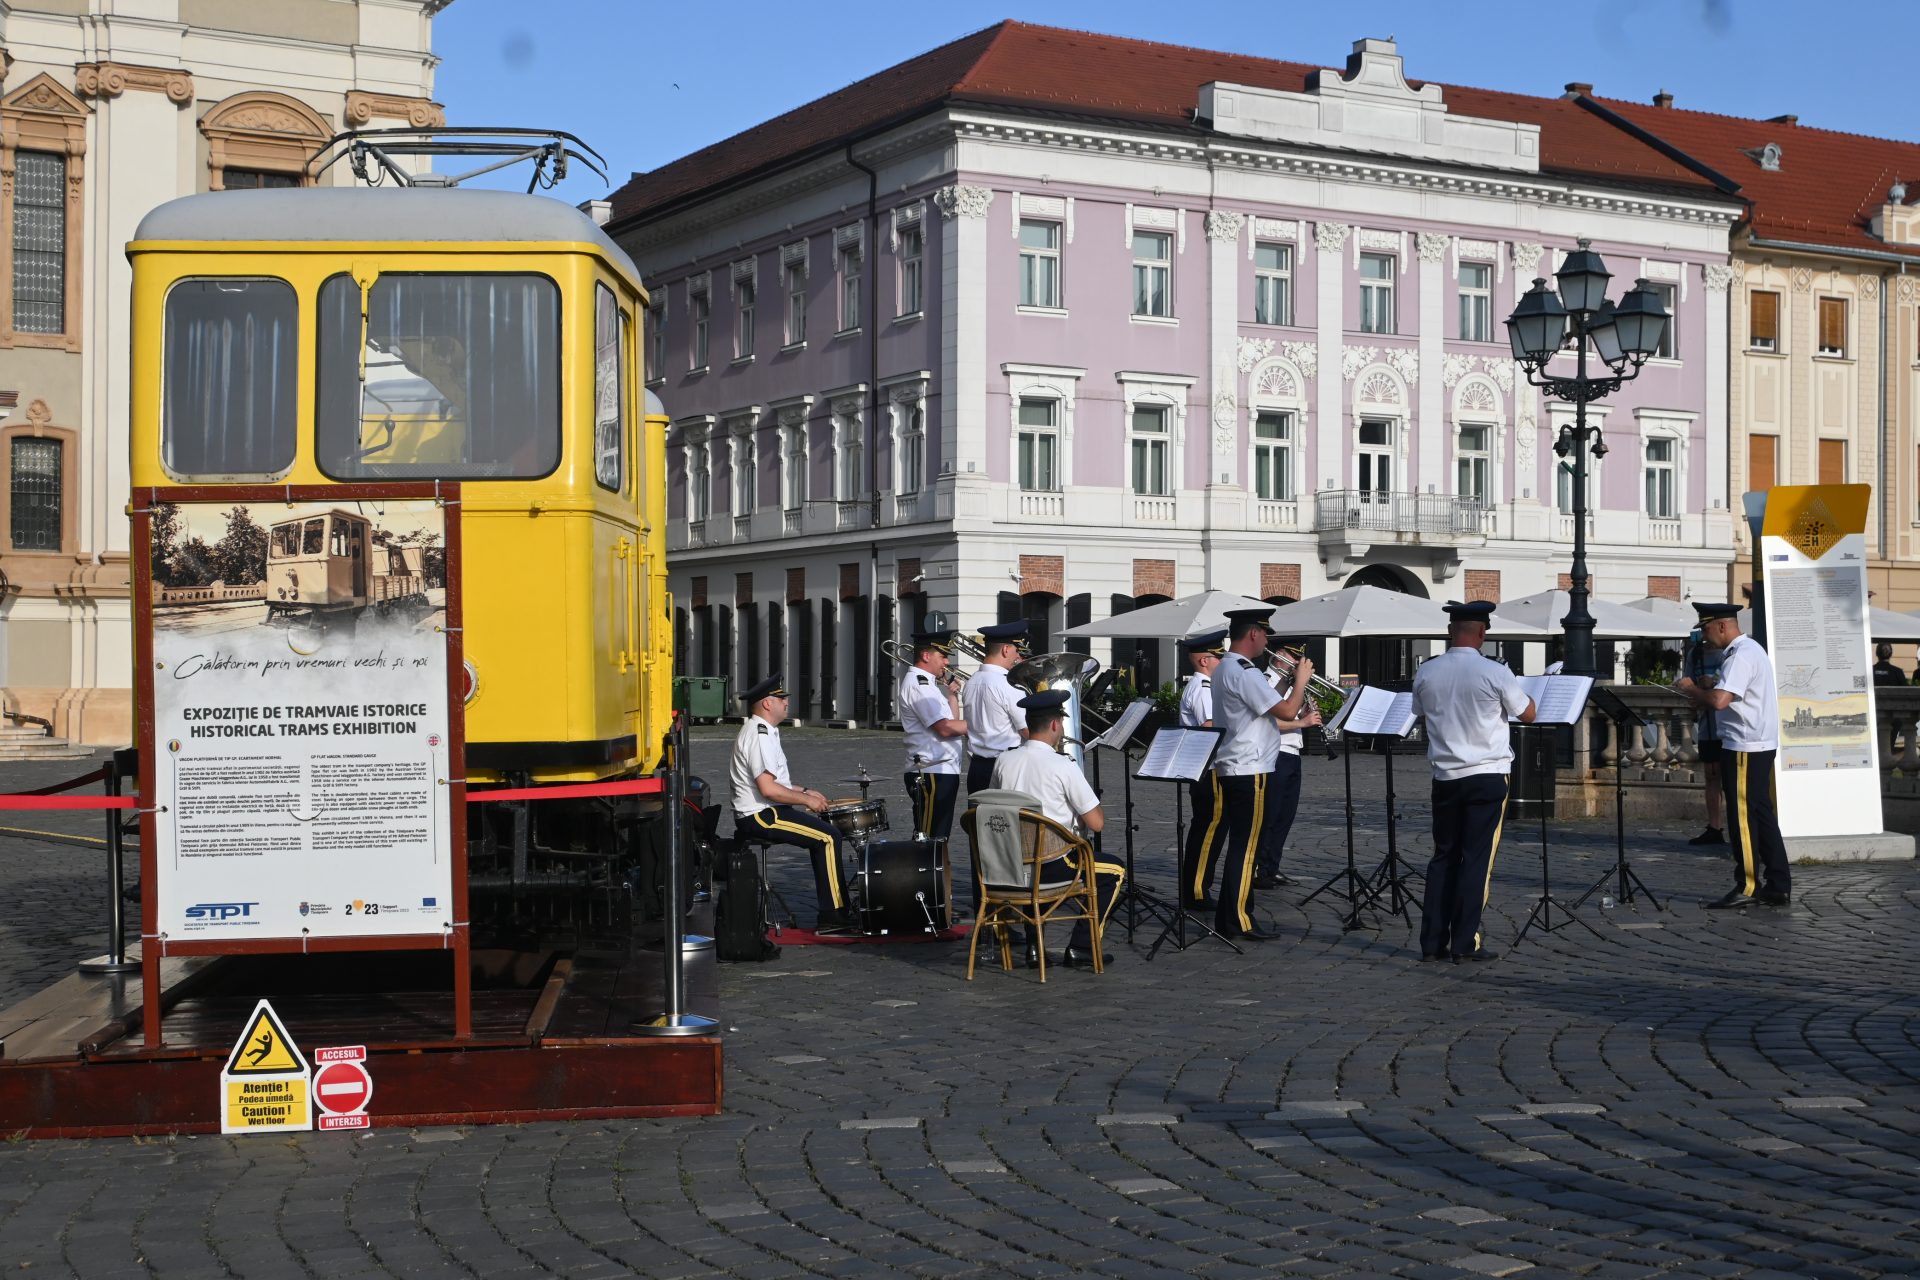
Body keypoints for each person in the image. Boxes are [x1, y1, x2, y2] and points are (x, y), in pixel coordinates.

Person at [1410, 601, 1537, 964]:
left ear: (1450, 631)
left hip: (1446, 776)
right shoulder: (1495, 672)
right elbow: (1528, 714)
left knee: (1443, 857)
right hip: (1486, 774)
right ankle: (1465, 942)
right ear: (1482, 633)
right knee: (1476, 860)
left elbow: (1419, 713)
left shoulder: (1427, 671)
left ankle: (1432, 942)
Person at [991, 688, 1125, 966]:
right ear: (1055, 724)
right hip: (1052, 866)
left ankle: (1034, 946)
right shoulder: (1063, 765)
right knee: (1114, 870)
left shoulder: (1004, 760)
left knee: (1032, 852)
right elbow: (1097, 823)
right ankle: (1083, 947)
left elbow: (993, 804)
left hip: (1009, 866)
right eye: (1062, 722)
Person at [1212, 606, 1320, 942]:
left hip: (1235, 765)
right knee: (1247, 849)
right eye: (1265, 635)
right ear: (1254, 634)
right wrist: (1300, 681)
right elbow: (1286, 710)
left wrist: (1289, 681)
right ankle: (1239, 919)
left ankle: (1228, 916)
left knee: (1240, 845)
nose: (1266, 643)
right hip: (1251, 767)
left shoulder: (1227, 667)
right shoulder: (1246, 672)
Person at [1677, 602, 1791, 909]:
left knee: (1742, 817)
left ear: (1722, 626)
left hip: (1744, 746)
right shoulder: (1749, 650)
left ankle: (1748, 885)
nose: (1704, 636)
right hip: (1757, 744)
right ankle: (1778, 883)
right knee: (1761, 814)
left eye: (1706, 629)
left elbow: (1719, 701)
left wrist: (1691, 689)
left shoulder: (1739, 655)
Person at [728, 674, 850, 933]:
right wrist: (806, 800)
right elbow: (768, 789)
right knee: (828, 837)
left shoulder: (766, 731)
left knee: (826, 834)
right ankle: (833, 917)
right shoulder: (759, 734)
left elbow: (777, 783)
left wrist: (806, 791)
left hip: (768, 809)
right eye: (781, 698)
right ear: (767, 704)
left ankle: (837, 909)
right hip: (760, 815)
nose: (786, 703)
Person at [898, 629, 967, 842]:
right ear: (926, 656)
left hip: (942, 769)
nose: (946, 662)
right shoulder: (920, 685)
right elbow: (944, 728)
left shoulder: (928, 683)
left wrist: (952, 695)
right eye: (943, 656)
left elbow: (952, 721)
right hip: (931, 771)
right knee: (929, 839)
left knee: (939, 837)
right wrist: (983, 725)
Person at [1177, 628, 1227, 911]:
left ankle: (1197, 888)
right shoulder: (1204, 689)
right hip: (1210, 770)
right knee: (1209, 831)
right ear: (1205, 661)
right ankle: (1197, 891)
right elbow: (1211, 727)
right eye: (1218, 657)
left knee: (1207, 829)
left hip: (1207, 769)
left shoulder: (1204, 686)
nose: (1222, 662)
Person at [1254, 643, 1310, 890]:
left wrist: (1304, 715)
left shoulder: (1294, 683)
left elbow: (1292, 716)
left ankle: (1271, 868)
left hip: (1292, 753)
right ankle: (1258, 868)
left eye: (1299, 657)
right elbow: (1269, 722)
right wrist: (1303, 723)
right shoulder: (1265, 682)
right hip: (1274, 752)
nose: (1297, 661)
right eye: (1292, 656)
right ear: (1278, 655)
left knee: (1285, 816)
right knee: (1270, 815)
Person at [962, 621, 1030, 794]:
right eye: (1016, 650)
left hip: (976, 768)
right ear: (1006, 649)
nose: (1017, 656)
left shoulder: (971, 681)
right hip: (1004, 768)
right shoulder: (1009, 685)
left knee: (978, 812)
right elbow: (1027, 731)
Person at [1682, 626, 1727, 846]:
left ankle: (1737, 826)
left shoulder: (1730, 652)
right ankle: (1714, 827)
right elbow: (1688, 683)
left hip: (1727, 725)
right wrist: (1693, 694)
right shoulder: (1695, 653)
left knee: (1729, 777)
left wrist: (1713, 682)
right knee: (1711, 775)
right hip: (1706, 724)